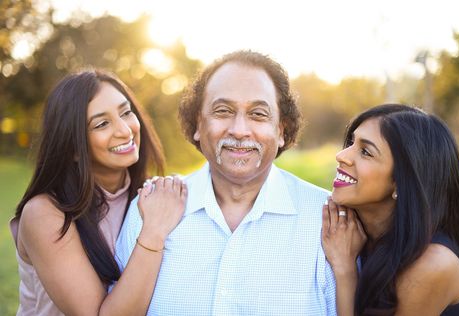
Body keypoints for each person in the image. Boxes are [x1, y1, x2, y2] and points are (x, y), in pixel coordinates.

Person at [115, 50, 337, 315]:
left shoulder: (328, 220)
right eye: (223, 111)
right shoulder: (146, 212)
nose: (240, 130)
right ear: (198, 123)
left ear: (281, 131)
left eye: (258, 114)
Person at [11, 69, 187, 315]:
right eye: (102, 123)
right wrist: (154, 232)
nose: (125, 131)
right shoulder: (44, 214)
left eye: (126, 112)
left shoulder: (152, 197)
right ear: (72, 146)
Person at [322, 104, 459, 315]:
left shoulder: (432, 264)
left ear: (402, 182)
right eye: (351, 142)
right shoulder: (358, 235)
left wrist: (345, 270)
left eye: (365, 152)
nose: (342, 155)